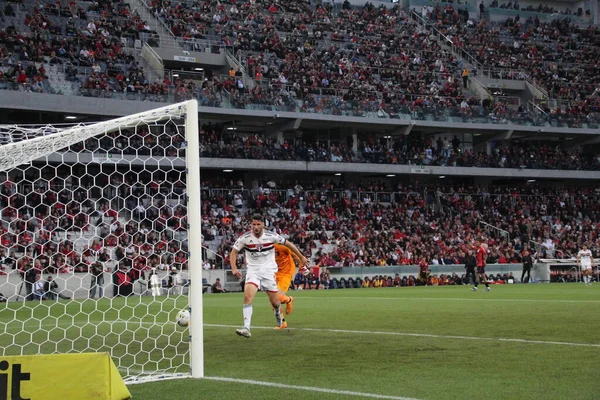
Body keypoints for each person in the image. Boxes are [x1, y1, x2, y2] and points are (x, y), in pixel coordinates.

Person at [230, 214, 308, 338]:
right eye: (253, 224)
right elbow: (234, 252)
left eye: (258, 224)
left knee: (275, 302)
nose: (255, 227)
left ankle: (278, 314)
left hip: (268, 272)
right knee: (248, 297)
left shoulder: (271, 236)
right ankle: (246, 327)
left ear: (263, 225)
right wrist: (234, 268)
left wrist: (302, 257)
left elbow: (289, 244)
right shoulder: (245, 238)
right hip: (253, 271)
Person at [273, 243, 299, 329]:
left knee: (278, 297)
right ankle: (282, 323)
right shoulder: (264, 248)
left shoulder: (280, 246)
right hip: (274, 273)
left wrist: (301, 262)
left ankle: (289, 300)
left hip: (286, 273)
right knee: (273, 301)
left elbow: (294, 253)